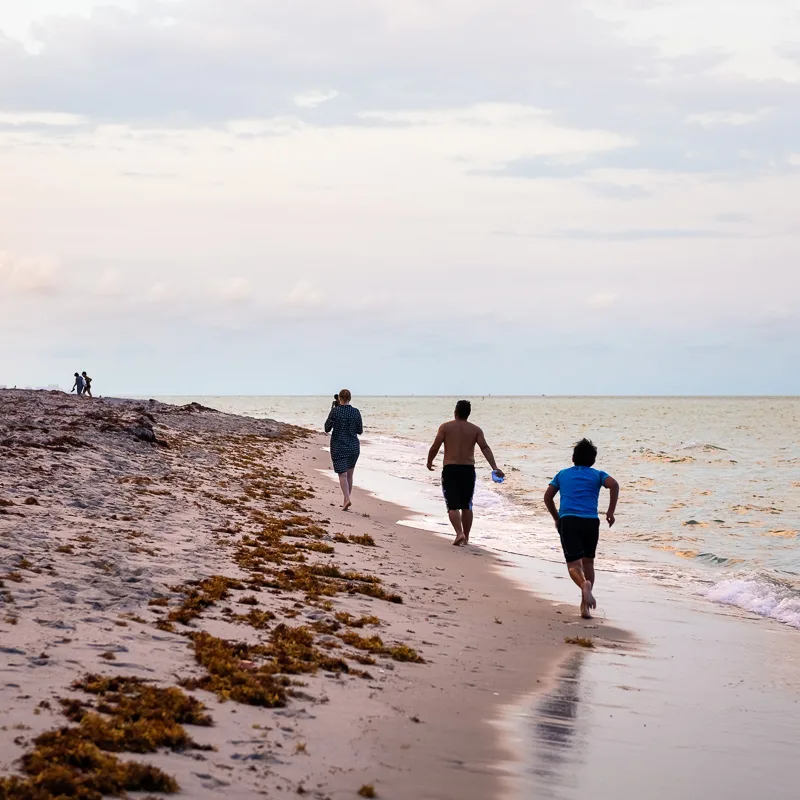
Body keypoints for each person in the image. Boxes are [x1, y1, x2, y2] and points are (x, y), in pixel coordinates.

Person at [543, 438, 619, 619]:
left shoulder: (562, 474)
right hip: (591, 521)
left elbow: (547, 497)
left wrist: (556, 517)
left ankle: (584, 585)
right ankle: (584, 607)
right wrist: (610, 512)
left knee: (573, 566)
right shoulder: (598, 474)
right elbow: (614, 485)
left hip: (569, 520)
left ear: (573, 458)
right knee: (589, 562)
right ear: (593, 461)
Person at [426, 400, 504, 546]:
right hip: (468, 470)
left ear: (455, 411)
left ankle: (459, 533)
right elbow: (485, 448)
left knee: (452, 505)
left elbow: (435, 446)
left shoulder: (445, 427)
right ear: (468, 413)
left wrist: (429, 461)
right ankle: (466, 538)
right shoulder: (475, 430)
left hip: (451, 469)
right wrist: (494, 467)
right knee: (467, 505)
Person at [324, 389, 363, 511]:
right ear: (350, 398)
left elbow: (327, 428)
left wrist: (332, 410)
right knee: (349, 475)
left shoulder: (335, 411)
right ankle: (346, 499)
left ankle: (346, 499)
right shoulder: (356, 412)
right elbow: (360, 430)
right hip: (353, 446)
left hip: (338, 445)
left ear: (339, 398)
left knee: (342, 474)